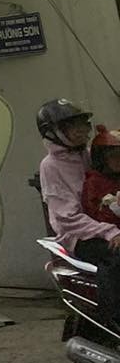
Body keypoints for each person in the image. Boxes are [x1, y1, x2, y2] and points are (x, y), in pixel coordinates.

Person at [38, 97, 120, 319]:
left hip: (106, 222)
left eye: (83, 124)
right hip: (77, 236)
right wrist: (110, 232)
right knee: (116, 258)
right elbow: (67, 218)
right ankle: (111, 318)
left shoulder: (88, 154)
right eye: (73, 126)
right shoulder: (50, 166)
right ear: (53, 132)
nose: (82, 130)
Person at [85, 128, 120, 223]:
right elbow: (94, 216)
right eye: (113, 156)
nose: (118, 159)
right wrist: (113, 208)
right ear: (102, 158)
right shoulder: (94, 183)